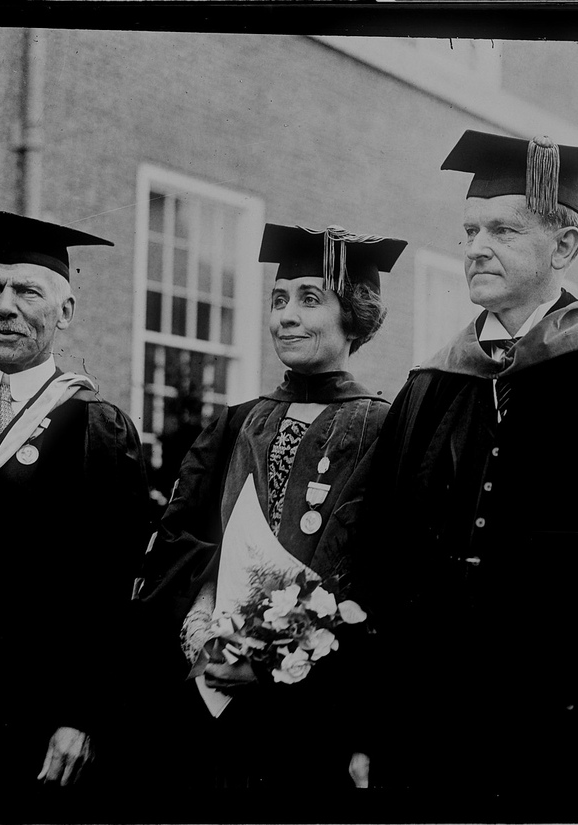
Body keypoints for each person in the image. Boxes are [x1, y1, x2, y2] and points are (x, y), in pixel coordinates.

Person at [357, 130, 578, 796]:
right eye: (469, 231)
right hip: (429, 724)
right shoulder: (432, 384)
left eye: (503, 230)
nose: (476, 247)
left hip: (563, 729)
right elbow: (383, 557)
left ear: (565, 245)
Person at [133, 222, 406, 812]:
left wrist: (279, 660)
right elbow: (181, 544)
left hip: (315, 716)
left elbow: (385, 577)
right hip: (208, 692)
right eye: (279, 299)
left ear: (354, 315)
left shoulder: (388, 430)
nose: (286, 316)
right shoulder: (235, 423)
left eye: (310, 299)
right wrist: (201, 633)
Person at [0, 211, 151, 820]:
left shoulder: (97, 427)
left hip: (38, 714)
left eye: (27, 291)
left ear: (65, 311)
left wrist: (82, 715)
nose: (4, 307)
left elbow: (112, 588)